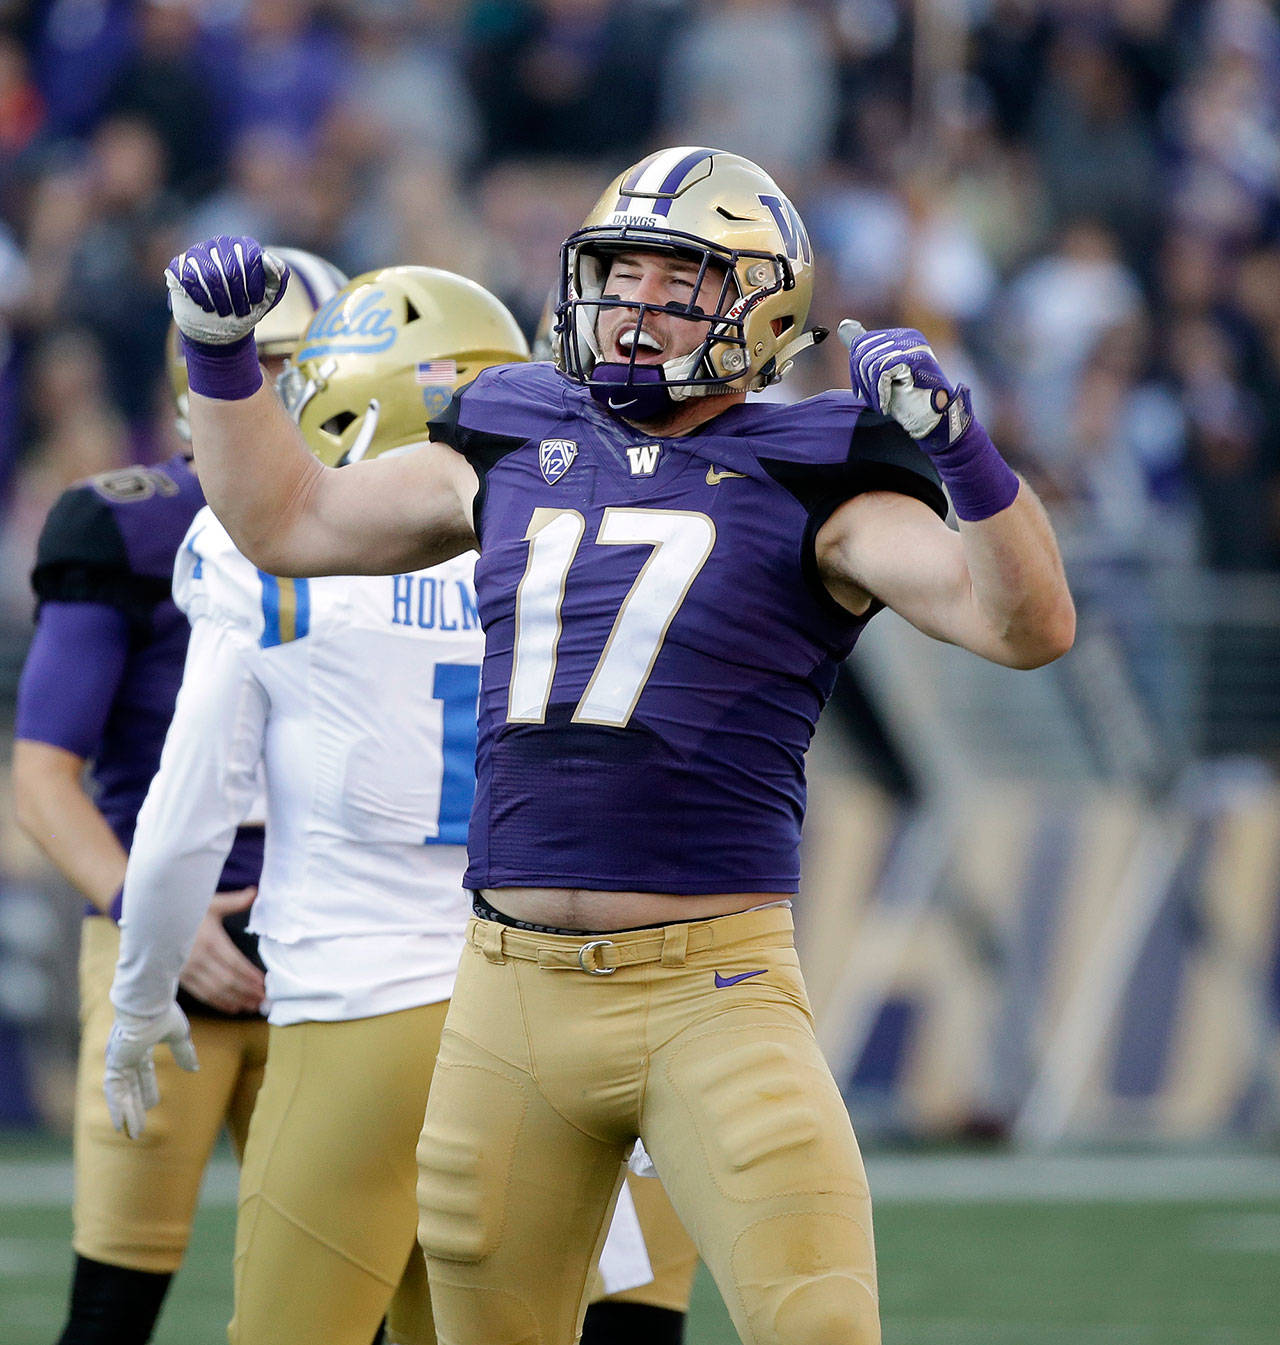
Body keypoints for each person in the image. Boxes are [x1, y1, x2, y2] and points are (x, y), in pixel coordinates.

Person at [137, 145, 1075, 1345]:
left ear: (762, 303)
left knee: (817, 1324)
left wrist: (965, 457)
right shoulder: (511, 428)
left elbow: (1025, 625)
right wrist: (222, 365)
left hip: (713, 991)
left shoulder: (816, 468)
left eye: (675, 281)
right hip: (506, 995)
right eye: (617, 275)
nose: (634, 307)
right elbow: (289, 518)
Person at [104, 266, 698, 1345]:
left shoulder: (262, 557)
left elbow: (187, 812)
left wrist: (141, 993)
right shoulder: (567, 543)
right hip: (526, 1019)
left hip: (355, 1017)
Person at [11, 245, 346, 1345]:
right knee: (113, 1305)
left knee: (354, 1304)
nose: (291, 394)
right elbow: (42, 772)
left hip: (344, 953)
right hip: (163, 948)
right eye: (268, 364)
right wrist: (145, 915)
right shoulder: (134, 524)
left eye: (310, 364)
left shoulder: (403, 535)